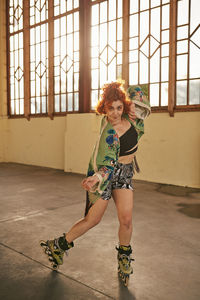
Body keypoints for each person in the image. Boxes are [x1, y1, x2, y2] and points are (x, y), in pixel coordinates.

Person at [40, 81, 151, 286]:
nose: (116, 113)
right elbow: (108, 162)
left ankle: (124, 256)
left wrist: (135, 105)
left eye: (119, 107)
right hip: (106, 173)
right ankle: (58, 245)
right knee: (93, 220)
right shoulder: (109, 132)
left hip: (125, 174)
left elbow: (140, 90)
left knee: (126, 219)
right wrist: (97, 177)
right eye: (111, 108)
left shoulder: (133, 118)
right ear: (104, 108)